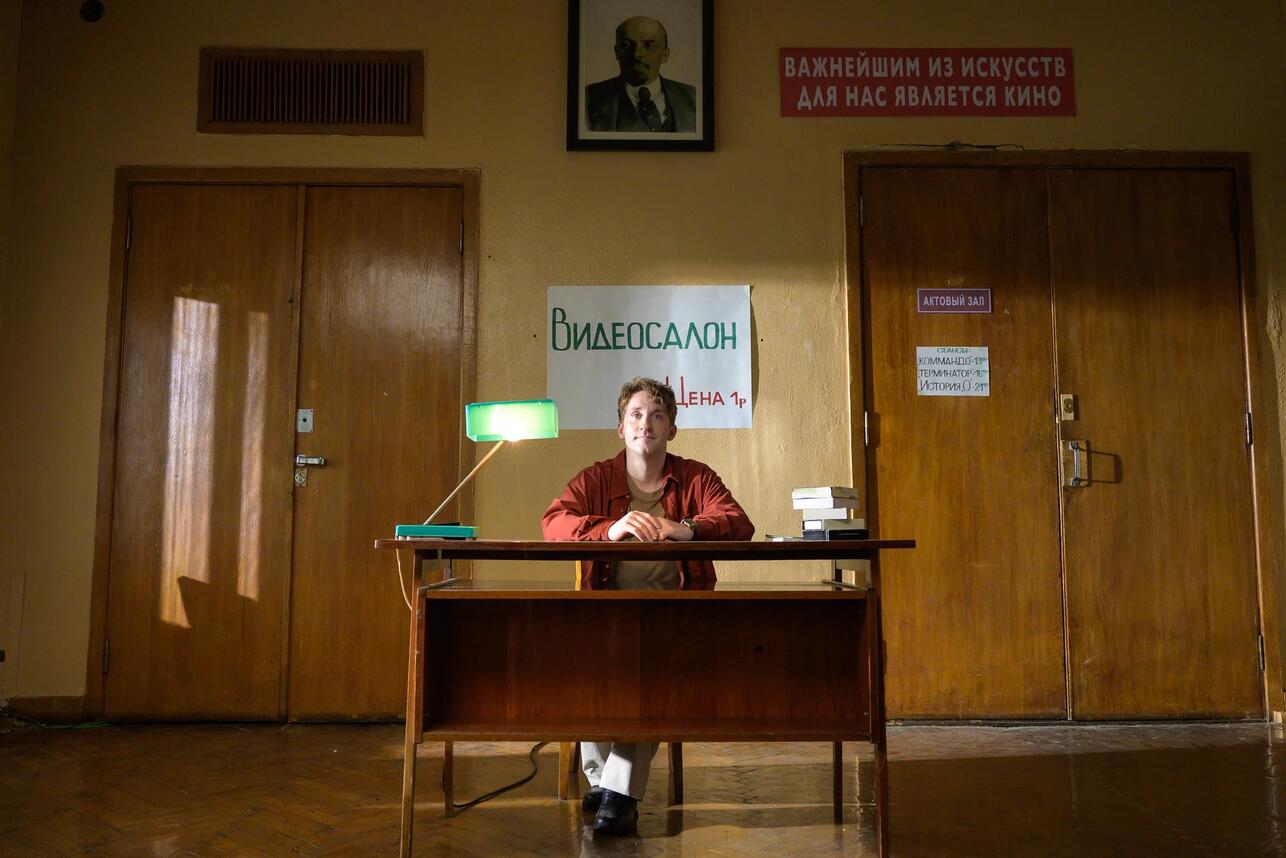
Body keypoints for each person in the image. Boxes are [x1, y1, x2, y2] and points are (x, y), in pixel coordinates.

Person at [541, 377, 754, 835]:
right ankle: (603, 781)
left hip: (677, 615)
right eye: (636, 415)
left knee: (650, 674)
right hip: (604, 612)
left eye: (657, 416)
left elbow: (739, 522)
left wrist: (689, 529)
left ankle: (617, 792)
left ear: (671, 429)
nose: (646, 424)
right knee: (587, 665)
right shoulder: (596, 478)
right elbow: (553, 523)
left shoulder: (696, 476)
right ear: (621, 428)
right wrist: (609, 529)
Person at [585, 16, 697, 133]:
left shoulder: (694, 97)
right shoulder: (588, 99)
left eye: (649, 45)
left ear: (665, 54)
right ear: (616, 52)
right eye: (626, 45)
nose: (636, 53)